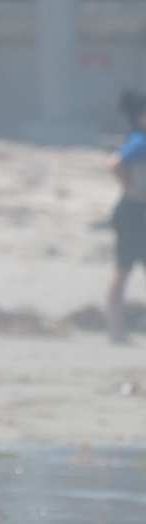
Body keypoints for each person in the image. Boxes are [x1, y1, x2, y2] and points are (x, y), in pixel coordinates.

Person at [109, 89, 146, 343]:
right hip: (133, 213)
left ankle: (117, 331)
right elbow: (114, 163)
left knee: (123, 273)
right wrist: (130, 189)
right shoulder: (140, 141)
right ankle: (117, 331)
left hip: (135, 212)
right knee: (122, 272)